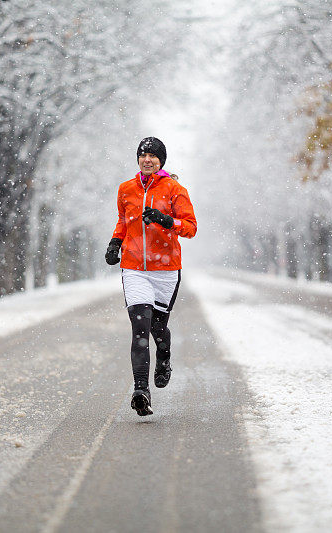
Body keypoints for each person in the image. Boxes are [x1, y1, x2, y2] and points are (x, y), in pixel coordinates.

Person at [105, 137, 197, 416]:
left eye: (153, 156)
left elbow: (190, 227)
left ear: (161, 161)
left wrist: (167, 221)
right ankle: (141, 390)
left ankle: (164, 356)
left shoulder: (174, 189)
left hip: (166, 270)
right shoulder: (126, 189)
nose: (147, 159)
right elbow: (123, 220)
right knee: (140, 328)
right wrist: (115, 242)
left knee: (158, 329)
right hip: (134, 269)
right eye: (143, 155)